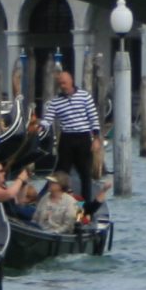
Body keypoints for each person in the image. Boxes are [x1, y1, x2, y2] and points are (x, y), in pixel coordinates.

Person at [47, 69, 105, 198]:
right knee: (61, 173)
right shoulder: (55, 101)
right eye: (60, 84)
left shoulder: (85, 96)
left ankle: (86, 205)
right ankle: (60, 199)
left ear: (71, 81)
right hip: (66, 138)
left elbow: (93, 118)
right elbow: (48, 119)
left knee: (85, 173)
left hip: (83, 138)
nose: (63, 86)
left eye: (64, 83)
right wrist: (39, 126)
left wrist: (96, 138)